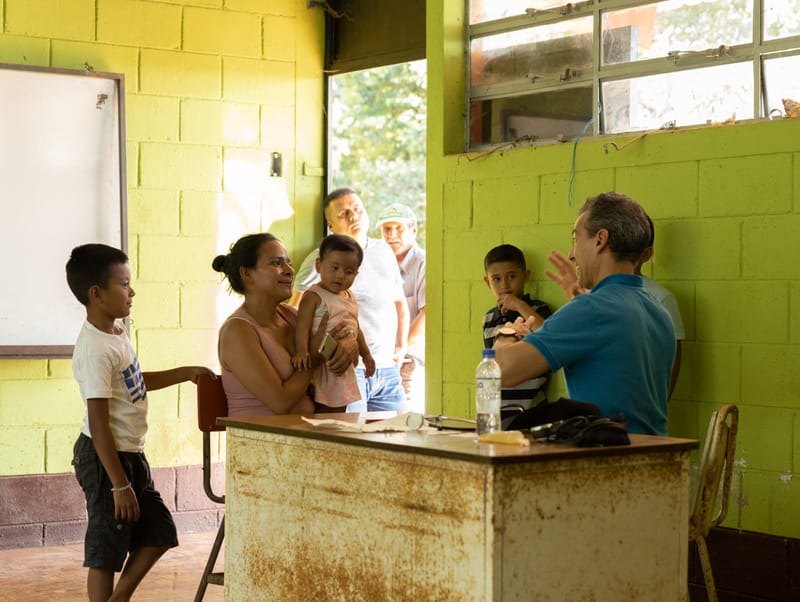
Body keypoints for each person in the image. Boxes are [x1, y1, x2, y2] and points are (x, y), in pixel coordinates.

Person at [66, 243, 214, 602]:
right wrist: (119, 484)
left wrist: (184, 373)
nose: (132, 292)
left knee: (160, 532)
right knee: (106, 550)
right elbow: (99, 423)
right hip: (105, 459)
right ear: (96, 294)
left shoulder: (116, 332)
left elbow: (133, 380)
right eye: (124, 284)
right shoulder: (94, 349)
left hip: (130, 454)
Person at [494, 192, 675, 435]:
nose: (571, 253)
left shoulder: (591, 310)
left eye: (575, 238)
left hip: (608, 463)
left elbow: (502, 370)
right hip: (655, 461)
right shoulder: (658, 309)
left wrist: (507, 332)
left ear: (600, 239)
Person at [212, 233, 358, 417]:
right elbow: (280, 403)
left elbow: (333, 346)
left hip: (308, 434)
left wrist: (349, 344)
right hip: (260, 441)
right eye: (276, 263)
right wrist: (314, 357)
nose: (290, 270)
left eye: (288, 262)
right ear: (246, 273)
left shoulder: (292, 316)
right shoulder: (237, 331)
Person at [291, 188, 409, 412]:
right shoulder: (319, 260)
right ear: (331, 226)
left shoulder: (384, 251)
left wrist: (401, 346)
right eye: (344, 213)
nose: (354, 216)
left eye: (357, 209)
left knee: (400, 436)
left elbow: (399, 301)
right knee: (353, 437)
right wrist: (311, 352)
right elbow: (295, 313)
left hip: (387, 369)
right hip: (345, 369)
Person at [546, 214, 685, 399]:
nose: (572, 254)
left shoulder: (660, 298)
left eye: (577, 239)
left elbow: (672, 360)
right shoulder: (588, 295)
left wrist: (661, 402)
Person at [292, 234, 375, 411]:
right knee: (320, 412)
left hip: (343, 366)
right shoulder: (313, 296)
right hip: (321, 366)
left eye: (349, 272)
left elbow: (356, 328)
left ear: (356, 274)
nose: (340, 276)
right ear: (318, 265)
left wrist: (366, 354)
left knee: (339, 414)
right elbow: (302, 326)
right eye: (335, 267)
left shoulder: (350, 297)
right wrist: (301, 350)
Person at [482, 244, 552, 410]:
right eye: (496, 279)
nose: (505, 285)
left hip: (533, 408)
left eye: (512, 276)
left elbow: (550, 337)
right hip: (498, 408)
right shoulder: (489, 319)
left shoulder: (537, 310)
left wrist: (520, 306)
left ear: (526, 276)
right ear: (487, 282)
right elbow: (492, 363)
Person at [376, 203, 426, 413]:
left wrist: (399, 349)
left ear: (413, 231)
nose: (392, 234)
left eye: (399, 228)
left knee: (406, 420)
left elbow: (426, 316)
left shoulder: (423, 263)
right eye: (387, 229)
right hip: (381, 358)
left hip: (409, 358)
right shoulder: (378, 262)